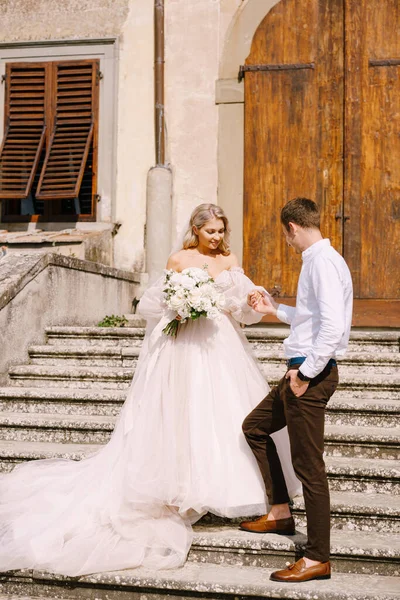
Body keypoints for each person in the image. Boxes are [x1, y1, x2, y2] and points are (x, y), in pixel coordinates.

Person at [0, 203, 300, 577]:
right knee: (183, 414)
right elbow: (151, 303)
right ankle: (179, 488)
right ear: (196, 229)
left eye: (221, 231)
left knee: (223, 412)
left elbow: (239, 306)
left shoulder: (229, 259)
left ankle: (235, 490)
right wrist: (183, 306)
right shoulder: (178, 259)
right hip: (184, 348)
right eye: (211, 232)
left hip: (222, 345)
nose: (218, 238)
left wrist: (251, 301)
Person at [241, 197, 353, 583]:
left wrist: (305, 373)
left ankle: (317, 557)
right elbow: (310, 320)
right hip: (302, 371)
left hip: (309, 376)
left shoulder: (321, 262)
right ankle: (280, 512)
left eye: (285, 235)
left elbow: (333, 328)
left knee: (309, 467)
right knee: (254, 427)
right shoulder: (321, 260)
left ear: (291, 227)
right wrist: (276, 309)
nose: (287, 242)